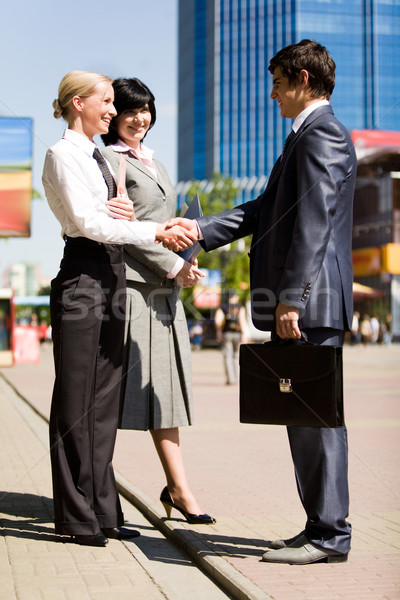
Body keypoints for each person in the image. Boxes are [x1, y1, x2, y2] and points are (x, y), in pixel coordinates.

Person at [168, 40, 356, 564]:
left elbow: (314, 223)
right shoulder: (304, 138)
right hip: (304, 301)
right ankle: (319, 526)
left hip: (309, 303)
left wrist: (291, 300)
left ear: (300, 78)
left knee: (317, 420)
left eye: (276, 82)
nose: (272, 94)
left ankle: (329, 536)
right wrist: (200, 230)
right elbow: (264, 209)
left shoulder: (323, 135)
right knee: (304, 418)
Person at [42, 70, 196, 547]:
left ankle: (104, 507)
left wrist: (139, 217)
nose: (112, 110)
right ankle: (76, 516)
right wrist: (155, 232)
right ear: (76, 103)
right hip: (83, 277)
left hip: (111, 277)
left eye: (113, 102)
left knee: (105, 403)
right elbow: (90, 223)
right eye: (105, 101)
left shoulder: (97, 157)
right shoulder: (62, 154)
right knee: (75, 401)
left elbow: (114, 216)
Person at [101, 78, 215, 524]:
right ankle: (99, 490)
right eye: (131, 109)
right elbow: (124, 233)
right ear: (113, 114)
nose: (140, 118)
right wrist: (173, 266)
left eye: (147, 109)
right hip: (131, 290)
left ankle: (179, 489)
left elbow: (160, 221)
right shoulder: (108, 160)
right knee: (113, 396)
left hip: (165, 292)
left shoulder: (156, 163)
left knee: (163, 393)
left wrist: (187, 242)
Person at [214, 291, 247, 384]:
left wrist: (218, 332)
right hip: (237, 334)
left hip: (227, 334)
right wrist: (244, 334)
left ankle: (230, 379)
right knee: (236, 356)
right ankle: (237, 377)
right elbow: (242, 320)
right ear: (235, 297)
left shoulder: (223, 307)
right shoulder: (240, 307)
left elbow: (218, 321)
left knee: (227, 356)